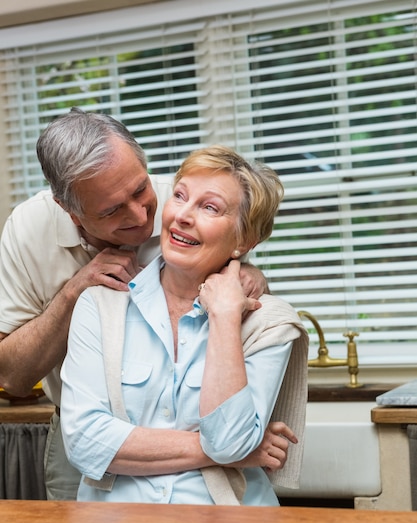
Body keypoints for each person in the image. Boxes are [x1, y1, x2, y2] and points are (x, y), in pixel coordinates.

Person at [0, 108, 271, 501]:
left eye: (141, 190)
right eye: (111, 211)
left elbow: (238, 248)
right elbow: (12, 376)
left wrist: (250, 272)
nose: (143, 215)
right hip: (84, 428)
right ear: (68, 209)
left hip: (195, 425)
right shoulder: (28, 230)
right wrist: (75, 292)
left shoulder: (179, 202)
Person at [60, 145, 309, 505]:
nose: (183, 216)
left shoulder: (268, 323)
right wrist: (231, 452)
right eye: (180, 197)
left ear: (244, 240)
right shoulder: (99, 305)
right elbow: (85, 443)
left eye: (209, 207)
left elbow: (228, 440)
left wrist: (224, 316)